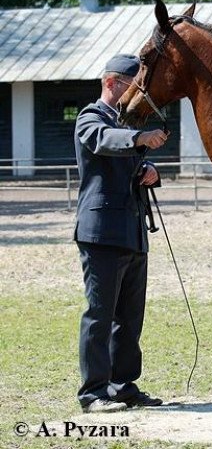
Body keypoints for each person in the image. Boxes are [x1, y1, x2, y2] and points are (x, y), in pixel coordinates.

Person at [73, 53, 168, 413]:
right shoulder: (90, 117)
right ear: (111, 83)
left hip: (132, 230)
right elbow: (103, 141)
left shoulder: (128, 125)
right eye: (132, 86)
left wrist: (151, 170)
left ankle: (123, 384)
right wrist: (140, 137)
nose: (136, 95)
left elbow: (132, 158)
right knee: (99, 313)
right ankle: (92, 392)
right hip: (100, 231)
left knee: (129, 316)